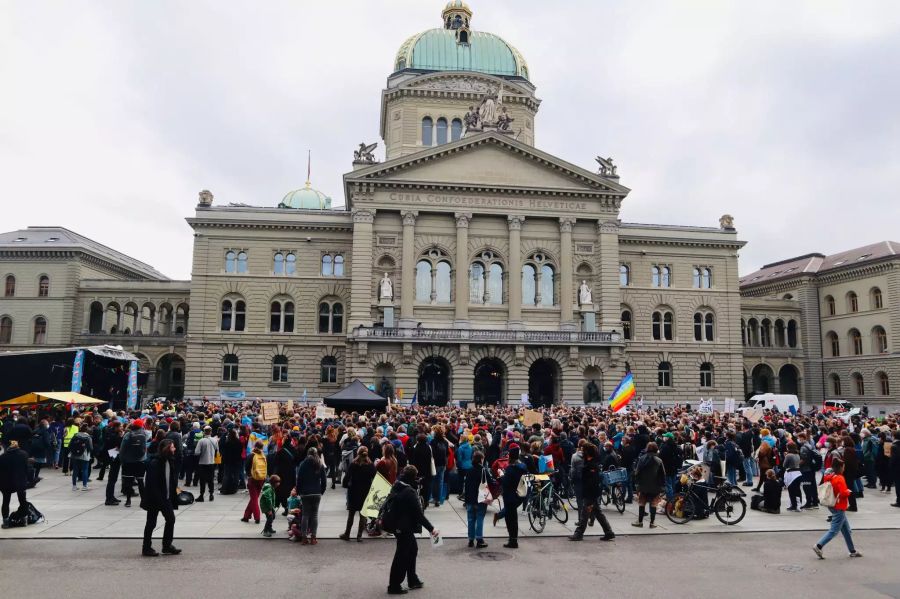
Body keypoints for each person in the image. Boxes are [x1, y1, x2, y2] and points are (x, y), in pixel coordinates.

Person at [385, 465, 439, 595]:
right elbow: (418, 515)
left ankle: (412, 579)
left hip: (398, 525)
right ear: (412, 477)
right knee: (402, 556)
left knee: (412, 550)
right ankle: (394, 585)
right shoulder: (409, 492)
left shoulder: (397, 485)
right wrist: (431, 529)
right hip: (404, 527)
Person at [813, 458, 861, 559]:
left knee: (846, 530)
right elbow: (843, 493)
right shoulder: (840, 478)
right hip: (840, 506)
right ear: (840, 467)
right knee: (834, 530)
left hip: (833, 505)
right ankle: (819, 545)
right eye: (843, 467)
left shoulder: (830, 477)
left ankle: (852, 550)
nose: (844, 468)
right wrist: (849, 492)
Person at [140, 438, 180, 557]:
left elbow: (169, 480)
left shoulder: (169, 460)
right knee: (151, 523)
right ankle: (146, 547)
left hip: (165, 497)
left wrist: (175, 491)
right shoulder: (155, 463)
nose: (175, 449)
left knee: (170, 519)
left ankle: (167, 545)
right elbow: (152, 484)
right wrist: (160, 499)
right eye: (173, 447)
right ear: (167, 449)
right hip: (155, 498)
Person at [569, 443, 615, 542]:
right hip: (592, 492)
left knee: (585, 513)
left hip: (591, 493)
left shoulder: (591, 465)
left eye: (583, 450)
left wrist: (587, 494)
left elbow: (591, 482)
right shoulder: (590, 463)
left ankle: (579, 533)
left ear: (587, 452)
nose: (581, 452)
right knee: (597, 513)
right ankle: (608, 532)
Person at [494, 443, 527, 548]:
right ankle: (513, 539)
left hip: (509, 496)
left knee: (510, 519)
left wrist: (501, 476)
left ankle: (513, 540)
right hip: (519, 495)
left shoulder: (511, 469)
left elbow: (506, 482)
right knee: (514, 518)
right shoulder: (522, 467)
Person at [340, 446, 376, 542]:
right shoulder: (370, 465)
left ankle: (347, 534)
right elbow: (375, 478)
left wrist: (346, 485)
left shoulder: (353, 464)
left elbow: (347, 477)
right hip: (365, 491)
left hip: (354, 491)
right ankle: (359, 536)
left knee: (351, 514)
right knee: (363, 515)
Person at [296, 446, 327, 545]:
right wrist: (321, 491)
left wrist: (299, 491)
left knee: (305, 515)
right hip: (316, 492)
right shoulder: (319, 464)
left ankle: (304, 537)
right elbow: (324, 480)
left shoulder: (303, 464)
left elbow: (299, 479)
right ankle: (313, 537)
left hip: (305, 493)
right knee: (314, 515)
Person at [462, 450, 493, 548]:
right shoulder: (483, 470)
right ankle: (479, 539)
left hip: (470, 498)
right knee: (480, 518)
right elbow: (490, 482)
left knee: (471, 519)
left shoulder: (469, 470)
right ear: (481, 459)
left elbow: (465, 486)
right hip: (480, 498)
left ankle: (470, 539)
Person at [632, 441, 665, 528]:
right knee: (653, 504)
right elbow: (663, 474)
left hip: (643, 486)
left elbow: (637, 472)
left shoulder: (642, 458)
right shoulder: (658, 460)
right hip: (655, 486)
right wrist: (662, 486)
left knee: (642, 503)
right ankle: (652, 523)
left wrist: (637, 484)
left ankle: (640, 522)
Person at [0, 441, 29, 528]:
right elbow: (26, 468)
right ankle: (24, 520)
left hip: (6, 482)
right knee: (22, 500)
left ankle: (6, 522)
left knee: (6, 501)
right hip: (20, 482)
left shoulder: (2, 457)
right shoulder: (24, 454)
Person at [120, 420, 148, 508]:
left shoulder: (128, 435)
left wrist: (122, 459)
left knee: (128, 482)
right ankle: (143, 500)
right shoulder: (144, 434)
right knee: (140, 481)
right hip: (141, 461)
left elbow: (122, 448)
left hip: (129, 461)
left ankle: (128, 500)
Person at [242, 441, 267, 524]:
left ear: (254, 446)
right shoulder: (263, 456)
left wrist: (249, 476)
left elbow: (246, 467)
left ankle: (257, 517)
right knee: (254, 498)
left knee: (254, 499)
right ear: (262, 448)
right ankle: (246, 516)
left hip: (252, 479)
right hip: (261, 479)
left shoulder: (251, 455)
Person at [194, 426, 217, 502]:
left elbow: (197, 452)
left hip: (203, 462)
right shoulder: (215, 440)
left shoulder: (201, 441)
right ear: (211, 432)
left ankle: (202, 495)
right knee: (211, 479)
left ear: (204, 432)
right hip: (211, 462)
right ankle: (211, 494)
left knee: (202, 480)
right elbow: (217, 450)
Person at [103, 420, 123, 505]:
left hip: (113, 456)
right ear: (116, 427)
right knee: (112, 478)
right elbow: (118, 443)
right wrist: (121, 436)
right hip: (113, 457)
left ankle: (111, 496)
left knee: (113, 479)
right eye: (120, 426)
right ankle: (109, 499)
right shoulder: (113, 435)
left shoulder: (110, 433)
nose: (121, 428)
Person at [69, 424, 93, 491]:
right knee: (85, 470)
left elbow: (70, 445)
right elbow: (91, 448)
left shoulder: (75, 435)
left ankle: (74, 486)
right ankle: (84, 486)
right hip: (84, 455)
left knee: (75, 470)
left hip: (74, 455)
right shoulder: (88, 437)